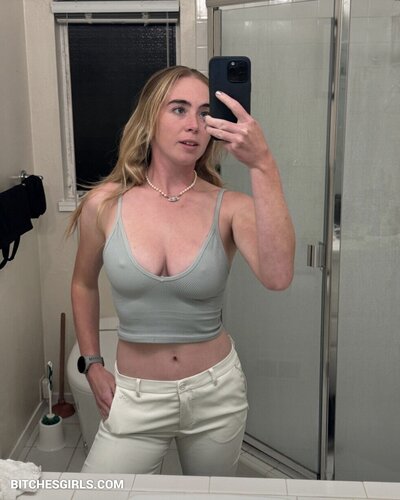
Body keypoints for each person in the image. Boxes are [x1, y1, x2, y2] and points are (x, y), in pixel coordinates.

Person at [69, 65, 295, 476]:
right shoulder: (104, 204)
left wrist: (263, 165)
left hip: (216, 394)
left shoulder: (229, 206)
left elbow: (278, 277)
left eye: (205, 113)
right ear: (149, 118)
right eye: (178, 109)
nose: (194, 124)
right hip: (135, 397)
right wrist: (93, 363)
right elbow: (83, 284)